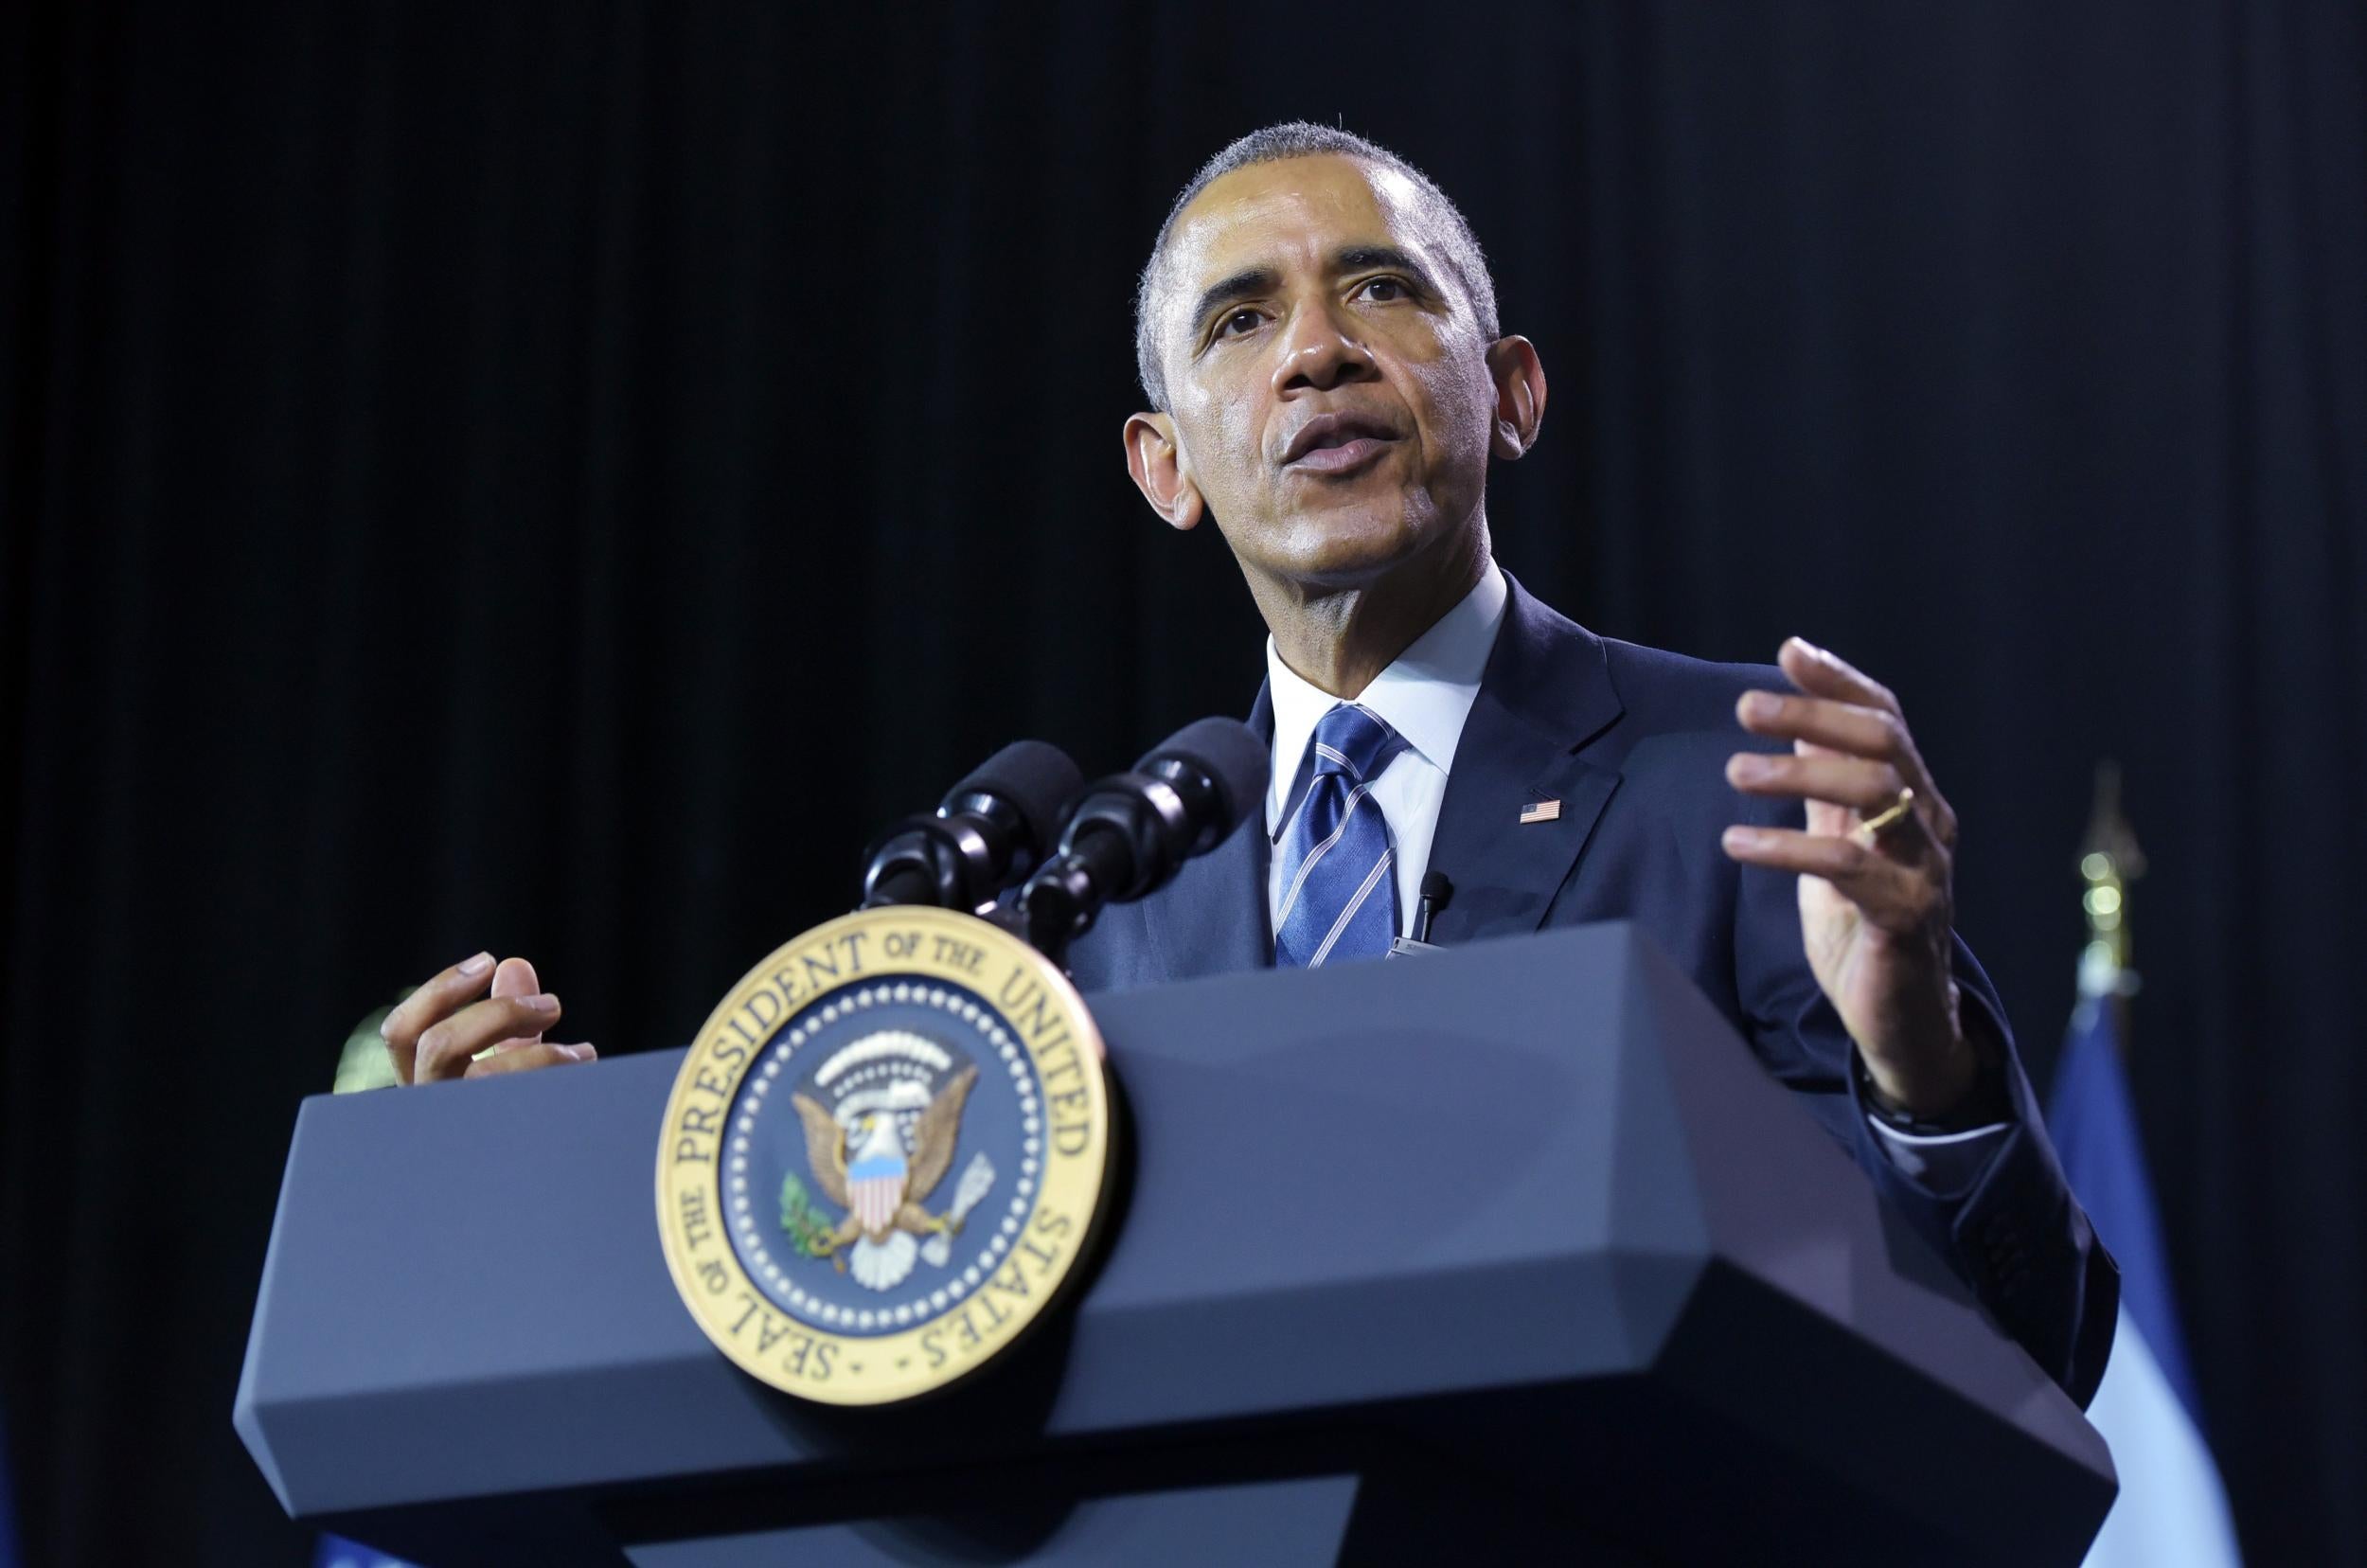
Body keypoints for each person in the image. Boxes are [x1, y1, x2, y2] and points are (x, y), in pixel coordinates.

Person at [378, 122, 2114, 1405]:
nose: (1314, 352)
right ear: (1166, 468)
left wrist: (1914, 1051)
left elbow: (2025, 1353)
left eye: (1378, 288)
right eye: (1237, 322)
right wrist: (555, 1194)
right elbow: (893, 1312)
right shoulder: (1099, 898)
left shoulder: (1736, 778)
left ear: (1510, 389)